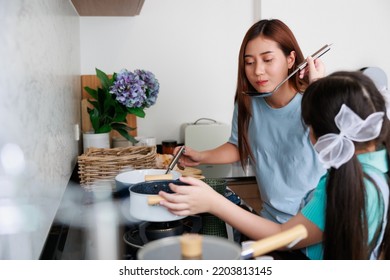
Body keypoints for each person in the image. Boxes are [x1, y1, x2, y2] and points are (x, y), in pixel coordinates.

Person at [160, 71, 390, 259]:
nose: (258, 70)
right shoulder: (381, 168)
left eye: (309, 126)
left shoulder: (339, 186)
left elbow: (285, 236)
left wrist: (213, 202)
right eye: (249, 61)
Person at [175, 19, 326, 223]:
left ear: (291, 60)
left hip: (313, 223)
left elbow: (339, 151)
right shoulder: (248, 102)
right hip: (270, 219)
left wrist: (318, 89)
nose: (257, 71)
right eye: (249, 62)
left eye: (267, 59)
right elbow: (239, 146)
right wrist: (202, 156)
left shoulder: (314, 103)